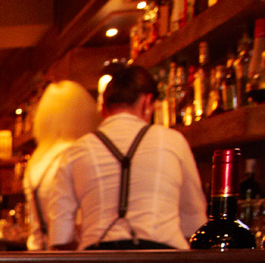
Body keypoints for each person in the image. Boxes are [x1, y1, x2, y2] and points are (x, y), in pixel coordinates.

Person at [45, 64, 206, 250]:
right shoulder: (173, 141)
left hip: (98, 261)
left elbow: (60, 234)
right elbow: (194, 219)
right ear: (147, 102)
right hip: (163, 260)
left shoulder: (77, 150)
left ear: (104, 107)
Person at [23, 81, 100, 250]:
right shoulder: (82, 157)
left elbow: (36, 232)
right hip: (78, 262)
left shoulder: (36, 165)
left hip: (45, 259)